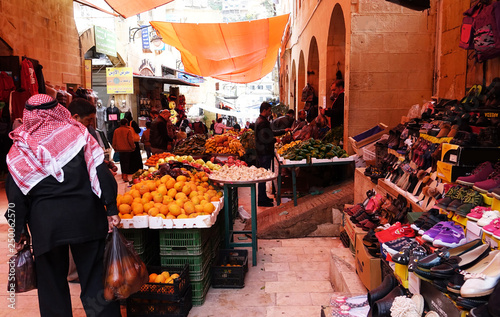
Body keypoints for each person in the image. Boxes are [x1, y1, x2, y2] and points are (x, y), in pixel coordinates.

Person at [5, 94, 121, 316]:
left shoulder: (20, 149)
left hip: (46, 225)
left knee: (51, 286)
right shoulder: (78, 134)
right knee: (96, 279)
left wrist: (19, 231)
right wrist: (111, 209)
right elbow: (100, 171)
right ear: (58, 109)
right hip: (86, 218)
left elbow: (16, 196)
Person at [255, 102, 291, 207]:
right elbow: (265, 138)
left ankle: (263, 197)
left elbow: (270, 132)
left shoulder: (260, 120)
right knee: (262, 177)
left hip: (262, 152)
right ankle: (261, 200)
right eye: (269, 110)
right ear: (265, 110)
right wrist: (275, 139)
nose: (270, 113)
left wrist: (283, 131)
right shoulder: (262, 122)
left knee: (264, 176)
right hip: (264, 152)